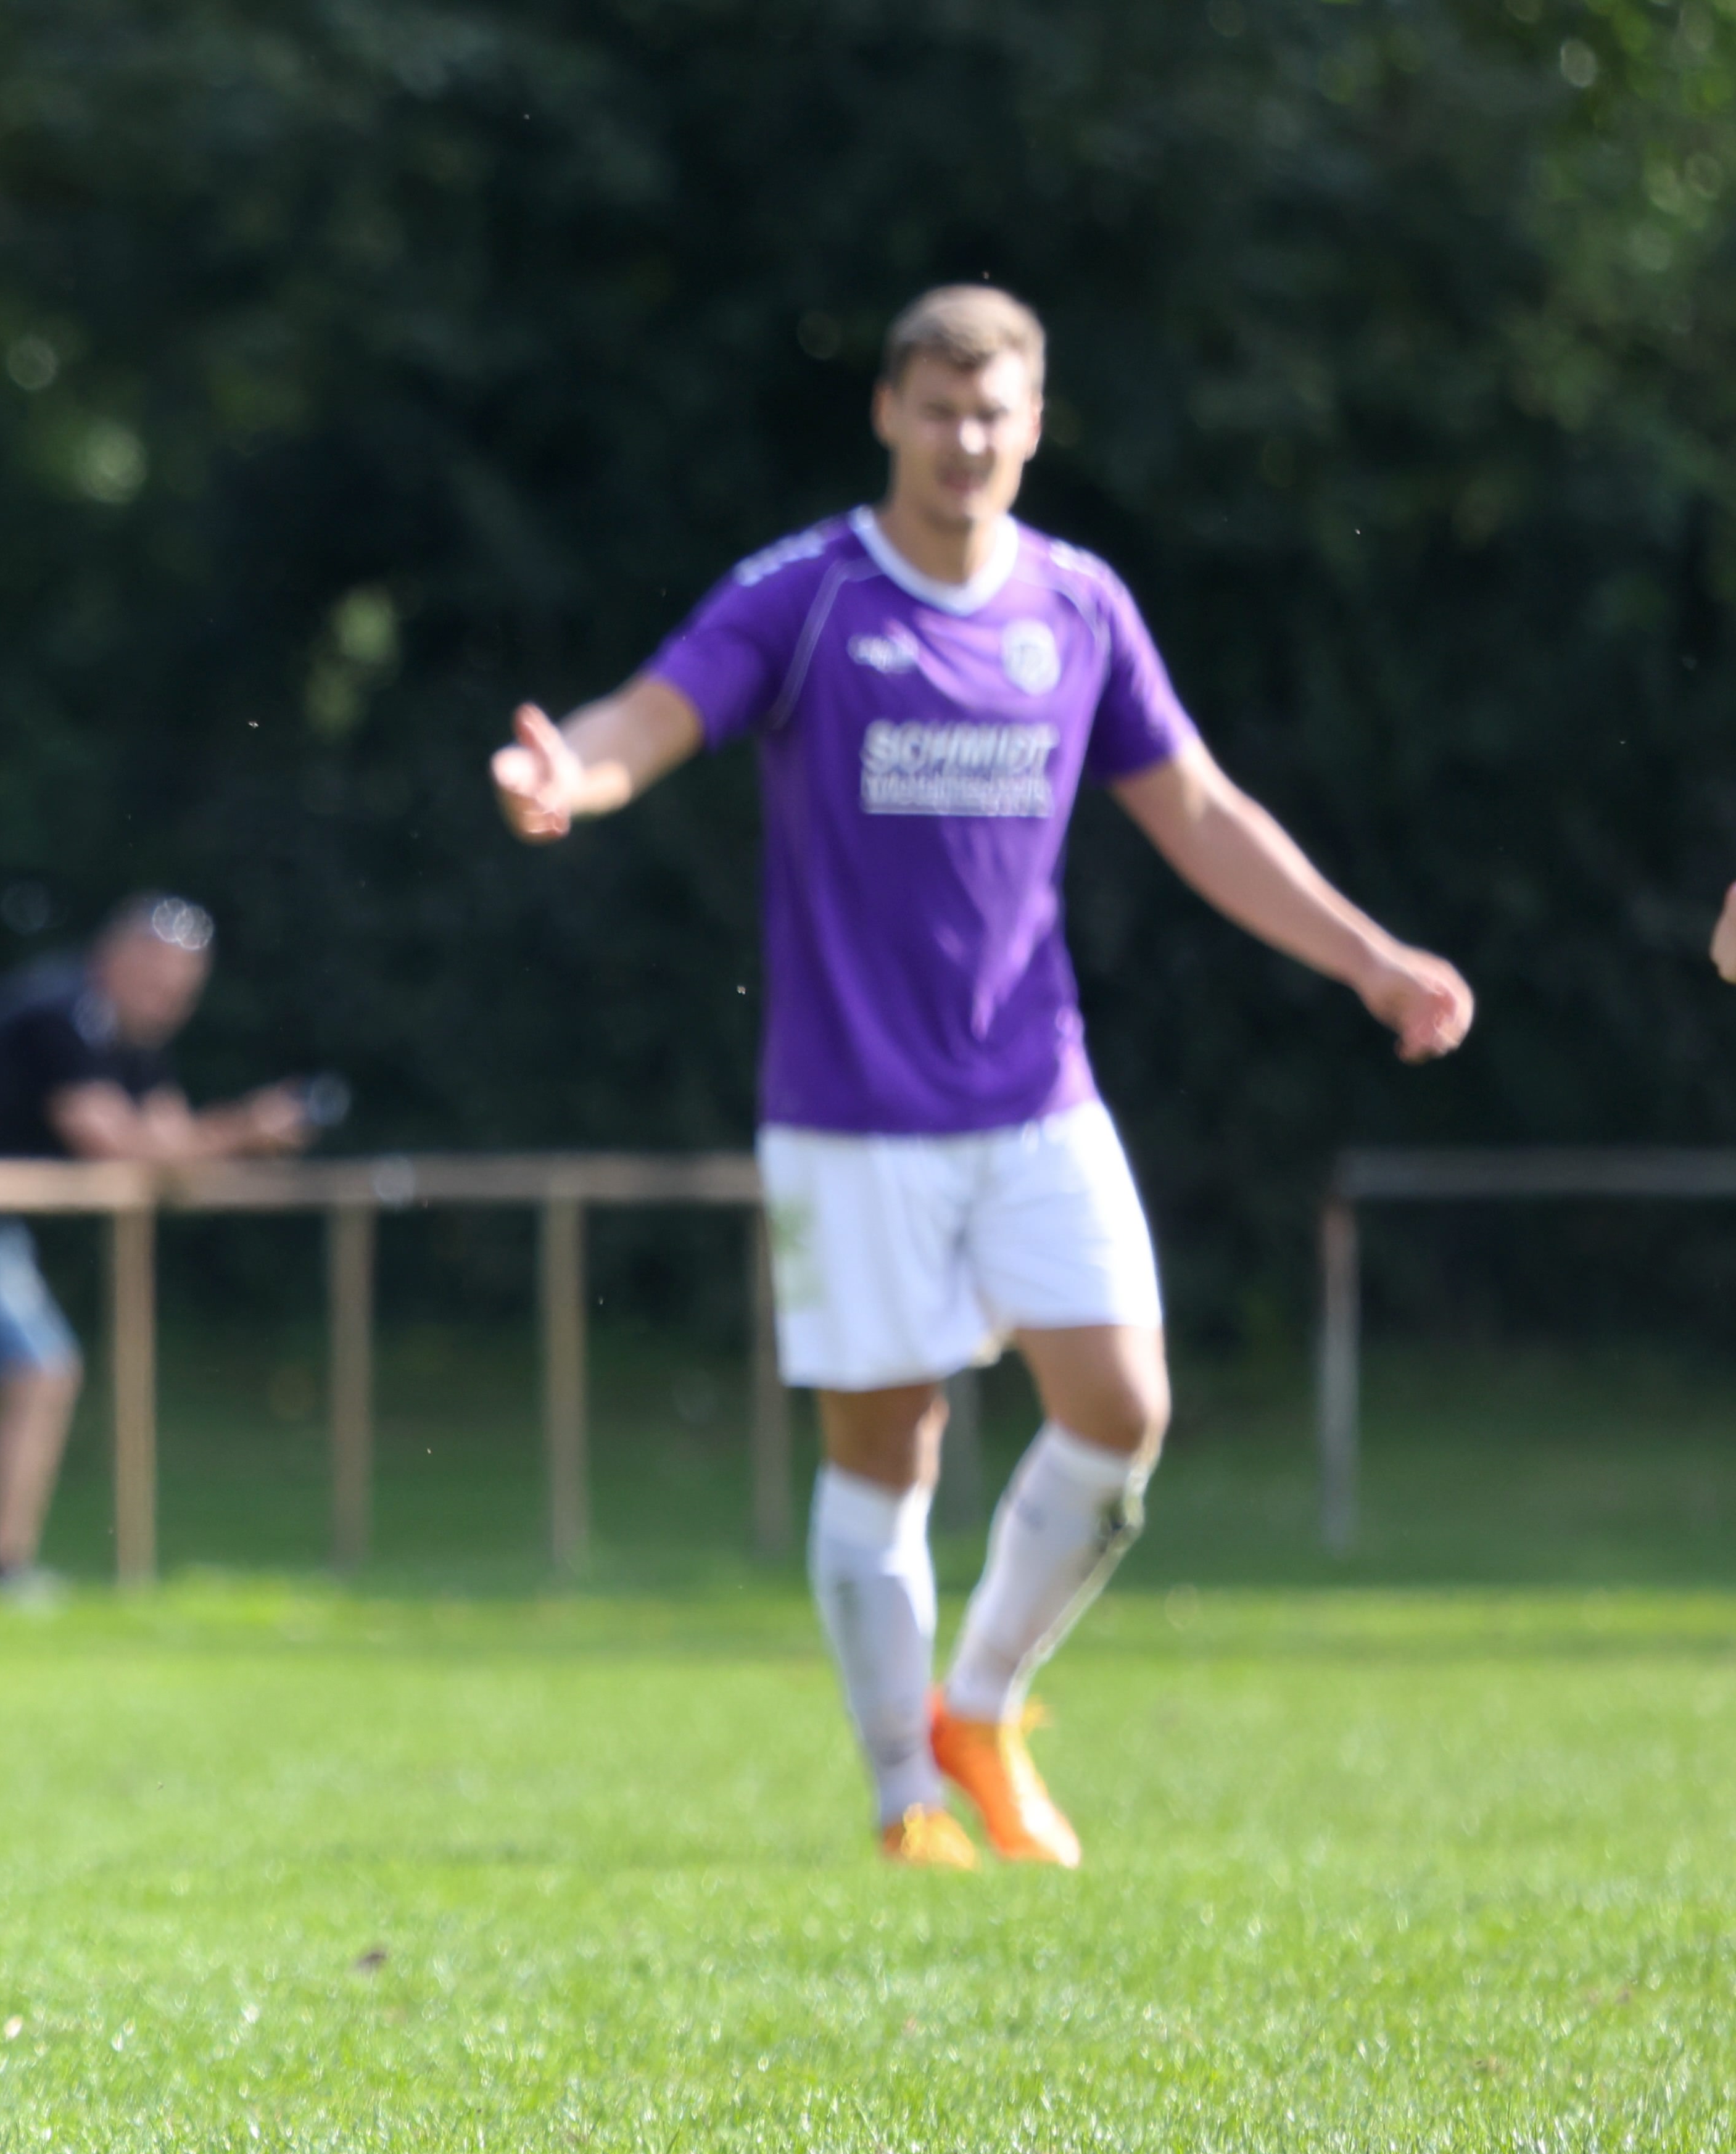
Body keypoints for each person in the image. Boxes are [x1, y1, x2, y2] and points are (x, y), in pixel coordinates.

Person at [487, 283, 1474, 1870]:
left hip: (1035, 1094)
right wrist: (572, 777)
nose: (964, 438)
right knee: (889, 1446)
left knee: (1122, 1408)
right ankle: (903, 1795)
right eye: (937, 408)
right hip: (847, 1116)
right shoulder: (807, 595)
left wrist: (1366, 957)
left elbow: (1199, 810)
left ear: (1032, 425)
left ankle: (982, 1705)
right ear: (887, 411)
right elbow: (652, 714)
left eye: (992, 411)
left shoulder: (1077, 605)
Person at [0, 895, 313, 1594]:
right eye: (156, 983)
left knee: (42, 1369)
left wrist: (228, 1142)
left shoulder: (135, 1039)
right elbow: (114, 1144)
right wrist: (246, 1128)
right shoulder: (62, 1013)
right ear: (111, 960)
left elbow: (171, 1145)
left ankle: (5, 1568)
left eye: (181, 992)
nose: (167, 1004)